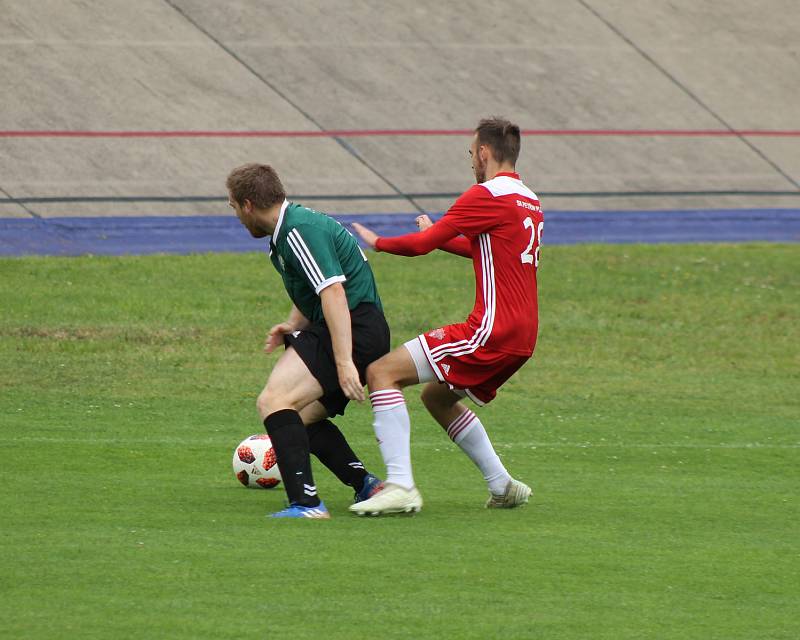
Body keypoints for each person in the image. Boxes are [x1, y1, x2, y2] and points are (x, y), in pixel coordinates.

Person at [350, 116, 542, 515]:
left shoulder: (485, 195)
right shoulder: (528, 199)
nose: (472, 161)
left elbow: (420, 245)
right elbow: (488, 252)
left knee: (382, 373)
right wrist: (441, 237)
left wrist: (379, 242)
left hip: (492, 329)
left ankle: (401, 486)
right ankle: (502, 485)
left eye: (472, 154)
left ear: (485, 153)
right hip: (523, 337)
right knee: (437, 396)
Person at [226, 163, 390, 519]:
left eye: (234, 206)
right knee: (299, 417)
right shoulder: (288, 232)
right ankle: (366, 484)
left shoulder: (298, 229)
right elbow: (314, 289)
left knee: (274, 400)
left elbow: (332, 291)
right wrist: (290, 324)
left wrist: (344, 361)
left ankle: (307, 504)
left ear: (249, 204)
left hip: (353, 328)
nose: (236, 216)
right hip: (352, 327)